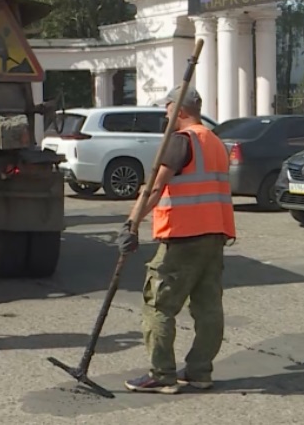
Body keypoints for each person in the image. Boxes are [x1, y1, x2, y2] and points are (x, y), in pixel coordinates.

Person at [117, 85, 236, 394]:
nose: (165, 114)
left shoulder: (181, 142)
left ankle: (162, 374)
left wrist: (131, 224)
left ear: (180, 110)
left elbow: (154, 189)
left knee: (158, 305)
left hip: (182, 238)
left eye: (167, 108)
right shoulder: (216, 143)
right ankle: (199, 371)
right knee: (208, 307)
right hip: (215, 235)